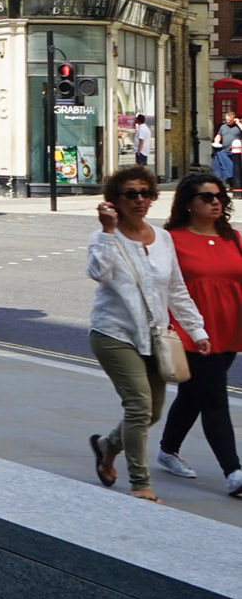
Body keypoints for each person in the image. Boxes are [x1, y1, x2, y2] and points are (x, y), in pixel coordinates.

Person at [86, 165, 210, 501]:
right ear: (114, 200)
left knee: (152, 412)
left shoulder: (163, 238)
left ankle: (107, 445)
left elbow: (176, 289)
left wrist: (196, 329)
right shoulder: (104, 237)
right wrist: (108, 232)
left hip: (154, 334)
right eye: (131, 194)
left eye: (146, 193)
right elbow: (99, 272)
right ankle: (140, 483)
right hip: (114, 333)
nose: (140, 200)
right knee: (139, 406)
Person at [157, 173, 242, 495]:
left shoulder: (231, 237)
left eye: (219, 196)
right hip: (191, 332)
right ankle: (233, 470)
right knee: (214, 398)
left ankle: (167, 450)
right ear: (189, 204)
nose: (216, 201)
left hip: (229, 330)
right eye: (206, 197)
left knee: (194, 395)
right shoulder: (171, 239)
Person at [213, 116, 239, 184]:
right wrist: (216, 142)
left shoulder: (238, 126)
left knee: (234, 166)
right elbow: (219, 135)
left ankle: (232, 178)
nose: (228, 121)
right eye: (226, 120)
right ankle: (225, 179)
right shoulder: (223, 127)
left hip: (236, 151)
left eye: (230, 120)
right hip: (225, 150)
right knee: (218, 158)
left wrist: (238, 123)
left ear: (234, 119)